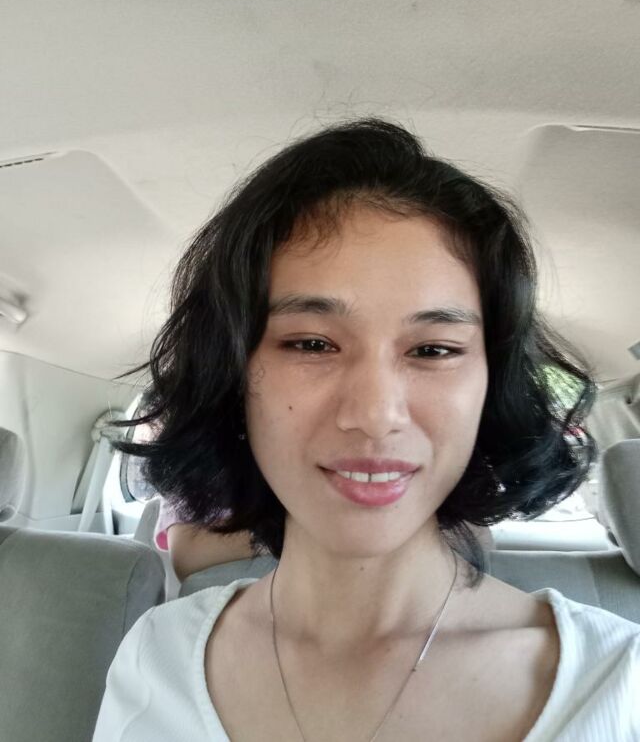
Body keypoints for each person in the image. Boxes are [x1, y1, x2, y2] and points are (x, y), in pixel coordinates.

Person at [93, 119, 640, 741]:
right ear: (234, 375)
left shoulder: (618, 683)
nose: (377, 414)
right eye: (311, 343)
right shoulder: (155, 655)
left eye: (434, 350)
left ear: (491, 388)